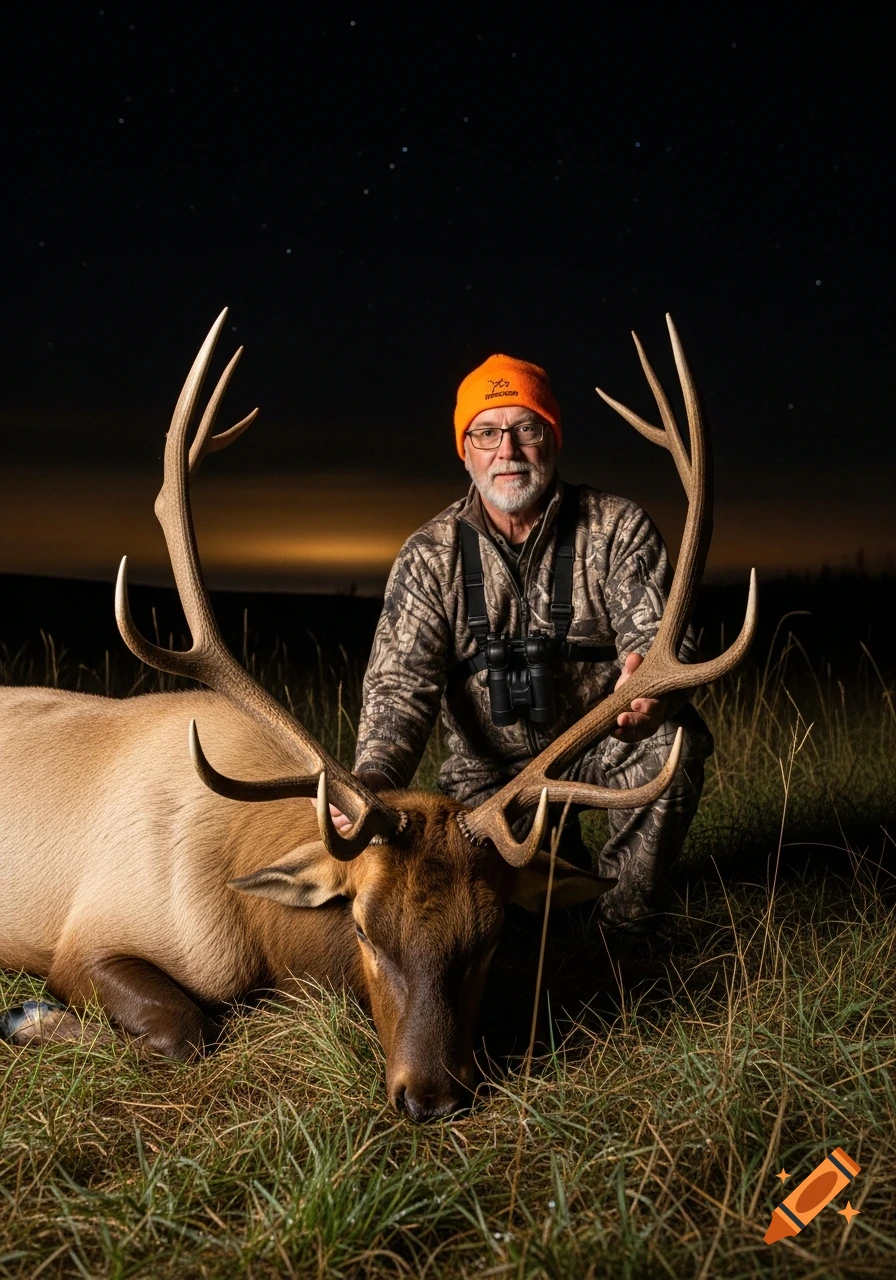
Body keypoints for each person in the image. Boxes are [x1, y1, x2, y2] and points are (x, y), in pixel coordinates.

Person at [334, 354, 713, 935]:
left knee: (671, 744)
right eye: (486, 433)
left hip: (600, 746)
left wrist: (654, 689)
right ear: (465, 451)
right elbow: (399, 687)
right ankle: (562, 883)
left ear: (552, 438)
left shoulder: (616, 528)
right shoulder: (429, 557)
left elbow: (663, 635)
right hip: (489, 787)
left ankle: (624, 928)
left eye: (526, 429)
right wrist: (375, 778)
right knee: (491, 930)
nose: (506, 450)